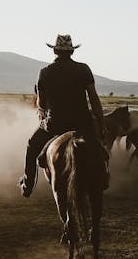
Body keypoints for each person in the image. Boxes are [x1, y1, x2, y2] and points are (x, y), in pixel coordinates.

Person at [19, 34, 106, 197]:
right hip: (82, 124)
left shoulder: (44, 72)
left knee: (32, 146)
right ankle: (103, 179)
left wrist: (44, 110)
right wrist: (101, 124)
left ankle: (28, 184)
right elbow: (94, 99)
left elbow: (42, 104)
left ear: (55, 51)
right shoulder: (84, 69)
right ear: (72, 52)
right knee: (100, 150)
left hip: (54, 124)